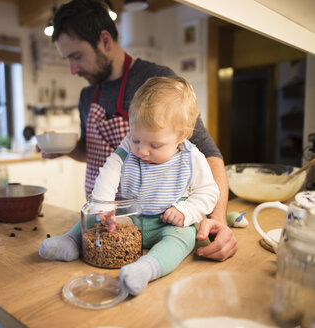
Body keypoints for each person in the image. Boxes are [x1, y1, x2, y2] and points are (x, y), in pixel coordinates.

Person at [40, 0, 237, 261]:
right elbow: (92, 151)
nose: (72, 69)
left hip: (156, 214)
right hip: (107, 216)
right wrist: (64, 150)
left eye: (77, 56)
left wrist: (218, 219)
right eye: (67, 60)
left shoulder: (156, 83)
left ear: (105, 41)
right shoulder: (88, 95)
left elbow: (208, 153)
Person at [40, 76, 220, 295]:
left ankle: (146, 269)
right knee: (93, 219)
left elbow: (209, 192)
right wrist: (103, 209)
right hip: (130, 220)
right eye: (136, 139)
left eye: (154, 145)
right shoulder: (126, 148)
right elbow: (108, 173)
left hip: (168, 223)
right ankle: (70, 241)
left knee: (183, 239)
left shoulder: (192, 158)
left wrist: (186, 211)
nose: (142, 151)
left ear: (181, 136)